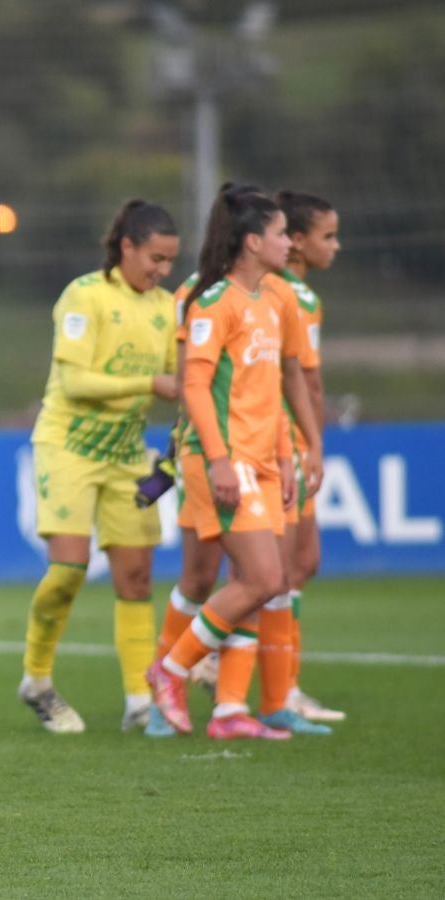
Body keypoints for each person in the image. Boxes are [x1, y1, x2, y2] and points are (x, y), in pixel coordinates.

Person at [145, 184, 322, 738]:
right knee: (262, 577)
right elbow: (194, 385)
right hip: (223, 457)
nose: (287, 244)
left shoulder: (276, 299)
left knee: (256, 579)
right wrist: (219, 460)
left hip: (265, 459)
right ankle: (170, 671)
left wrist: (289, 456)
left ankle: (228, 712)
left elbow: (269, 383)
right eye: (277, 235)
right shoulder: (213, 302)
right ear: (251, 242)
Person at [18, 200, 181, 734]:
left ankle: (140, 700)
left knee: (136, 577)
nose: (162, 269)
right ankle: (37, 681)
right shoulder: (84, 296)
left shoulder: (165, 308)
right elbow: (76, 384)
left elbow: (185, 382)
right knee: (68, 572)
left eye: (170, 261)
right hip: (68, 447)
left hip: (127, 454)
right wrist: (150, 384)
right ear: (127, 246)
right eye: (155, 257)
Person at [273, 189, 345, 724]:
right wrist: (314, 445)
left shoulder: (280, 291)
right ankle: (280, 686)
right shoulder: (295, 296)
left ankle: (283, 684)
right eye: (328, 235)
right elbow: (310, 384)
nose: (336, 246)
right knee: (284, 567)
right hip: (284, 443)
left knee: (298, 564)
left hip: (280, 440)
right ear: (295, 242)